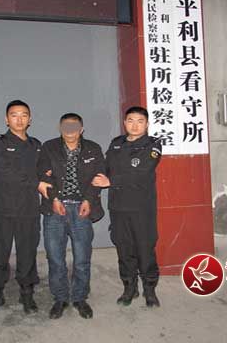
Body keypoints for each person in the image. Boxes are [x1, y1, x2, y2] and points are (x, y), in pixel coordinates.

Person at [0, 100, 51, 316]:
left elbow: (44, 171)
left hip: (28, 210)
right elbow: (3, 172)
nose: (19, 120)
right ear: (6, 119)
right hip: (1, 209)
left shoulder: (36, 145)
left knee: (27, 252)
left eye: (24, 115)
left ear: (30, 119)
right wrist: (36, 182)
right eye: (14, 115)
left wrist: (47, 176)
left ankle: (27, 293)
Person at [92, 106, 162, 307]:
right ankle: (129, 288)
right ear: (124, 123)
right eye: (130, 120)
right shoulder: (116, 144)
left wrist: (111, 181)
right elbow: (105, 168)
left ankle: (149, 289)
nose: (135, 125)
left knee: (145, 249)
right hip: (118, 207)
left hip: (141, 209)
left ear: (147, 124)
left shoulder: (153, 145)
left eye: (140, 121)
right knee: (123, 249)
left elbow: (141, 172)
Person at [37, 113, 105, 319]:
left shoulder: (93, 148)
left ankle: (80, 298)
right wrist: (54, 198)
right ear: (60, 128)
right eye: (66, 126)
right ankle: (60, 298)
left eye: (74, 127)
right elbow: (42, 174)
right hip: (55, 209)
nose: (70, 131)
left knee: (82, 258)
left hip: (81, 208)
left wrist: (88, 200)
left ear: (81, 129)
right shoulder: (49, 147)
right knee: (55, 257)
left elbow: (98, 177)